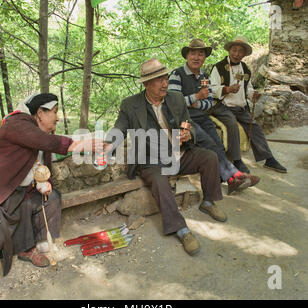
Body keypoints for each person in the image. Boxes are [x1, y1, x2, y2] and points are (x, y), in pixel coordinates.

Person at [0, 93, 100, 300]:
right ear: (39, 113)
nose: (57, 118)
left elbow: (38, 169)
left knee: (50, 198)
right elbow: (46, 141)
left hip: (9, 195)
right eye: (54, 112)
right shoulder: (18, 124)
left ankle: (28, 249)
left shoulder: (40, 135)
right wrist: (79, 144)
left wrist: (43, 183)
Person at [105, 58, 228, 258]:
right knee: (160, 180)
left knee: (209, 157)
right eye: (158, 80)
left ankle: (209, 202)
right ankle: (180, 229)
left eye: (165, 78)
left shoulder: (176, 98)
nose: (164, 83)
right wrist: (108, 144)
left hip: (179, 154)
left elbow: (188, 123)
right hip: (152, 160)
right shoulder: (130, 105)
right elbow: (119, 128)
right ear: (146, 84)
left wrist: (189, 134)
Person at [168, 38, 260, 194]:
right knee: (208, 143)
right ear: (187, 56)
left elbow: (209, 103)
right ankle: (235, 176)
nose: (196, 58)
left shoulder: (205, 76)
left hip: (202, 117)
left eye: (200, 54)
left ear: (204, 58)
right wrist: (196, 97)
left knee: (218, 144)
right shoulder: (177, 74)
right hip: (184, 120)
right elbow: (173, 103)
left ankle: (226, 179)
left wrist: (195, 103)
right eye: (193, 54)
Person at [209, 36, 287, 174]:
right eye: (234, 50)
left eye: (240, 51)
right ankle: (237, 160)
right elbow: (212, 89)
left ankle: (268, 158)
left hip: (240, 107)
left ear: (244, 54)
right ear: (229, 51)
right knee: (232, 124)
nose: (237, 54)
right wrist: (226, 89)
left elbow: (248, 88)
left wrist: (253, 94)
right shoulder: (218, 67)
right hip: (222, 106)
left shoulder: (245, 69)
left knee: (255, 126)